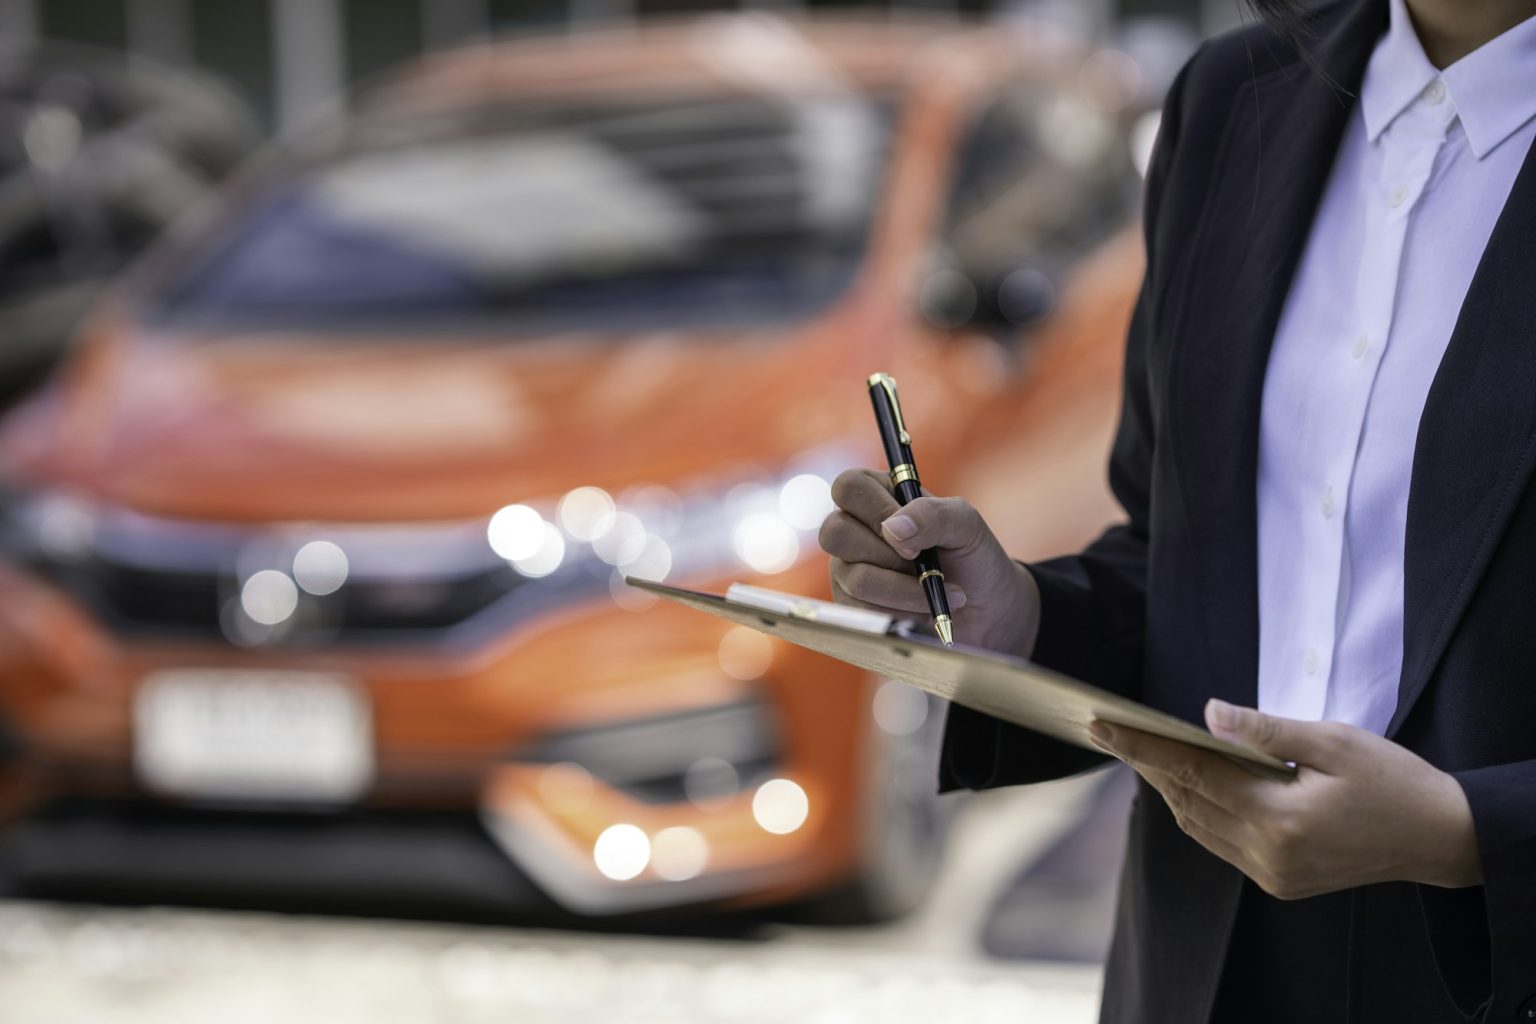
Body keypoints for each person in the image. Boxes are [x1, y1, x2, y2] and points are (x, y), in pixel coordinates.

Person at [819, 0, 1536, 1019]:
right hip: (1203, 951)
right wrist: (1019, 615)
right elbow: (1178, 557)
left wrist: (1474, 832)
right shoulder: (1231, 99)